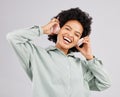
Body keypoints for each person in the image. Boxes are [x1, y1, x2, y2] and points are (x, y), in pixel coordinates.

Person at [6, 7, 111, 97]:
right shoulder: (37, 56)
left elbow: (105, 83)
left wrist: (89, 57)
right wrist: (42, 30)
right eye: (67, 29)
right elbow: (13, 38)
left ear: (79, 40)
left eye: (76, 34)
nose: (70, 35)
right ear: (58, 29)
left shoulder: (81, 66)